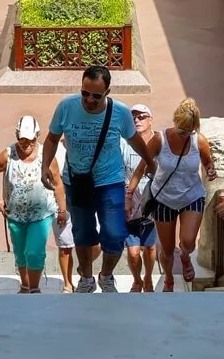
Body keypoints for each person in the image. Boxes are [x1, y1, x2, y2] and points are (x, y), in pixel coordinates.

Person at [41, 65, 157, 293]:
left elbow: (134, 140)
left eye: (96, 95)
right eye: (85, 93)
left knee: (114, 234)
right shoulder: (66, 107)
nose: (89, 100)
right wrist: (45, 164)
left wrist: (149, 162)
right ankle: (86, 278)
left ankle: (106, 275)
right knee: (83, 234)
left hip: (110, 181)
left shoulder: (120, 112)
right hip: (77, 181)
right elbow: (52, 138)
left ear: (107, 92)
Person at [130, 98, 215, 291]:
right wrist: (129, 195)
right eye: (181, 131)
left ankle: (185, 257)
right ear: (175, 123)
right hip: (164, 199)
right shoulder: (160, 139)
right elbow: (141, 168)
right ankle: (168, 278)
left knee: (188, 241)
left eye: (189, 131)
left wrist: (210, 170)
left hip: (192, 196)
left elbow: (208, 162)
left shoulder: (199, 140)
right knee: (167, 250)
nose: (185, 135)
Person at [0, 115, 68, 293]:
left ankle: (35, 288)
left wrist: (62, 209)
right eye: (21, 139)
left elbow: (58, 182)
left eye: (30, 140)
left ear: (37, 136)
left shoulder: (46, 155)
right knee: (21, 253)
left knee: (34, 252)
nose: (25, 144)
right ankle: (25, 284)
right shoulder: (8, 155)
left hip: (41, 214)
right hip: (15, 214)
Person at [122, 104, 159, 292]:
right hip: (131, 206)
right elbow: (119, 172)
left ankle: (148, 277)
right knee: (134, 251)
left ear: (150, 119)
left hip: (153, 205)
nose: (137, 120)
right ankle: (137, 279)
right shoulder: (124, 143)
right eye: (133, 117)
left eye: (142, 116)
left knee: (151, 248)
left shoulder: (159, 142)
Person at [51, 139, 77, 293]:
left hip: (87, 200)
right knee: (65, 247)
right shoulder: (56, 149)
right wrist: (61, 209)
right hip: (63, 204)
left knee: (96, 245)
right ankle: (68, 283)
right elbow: (54, 180)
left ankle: (83, 270)